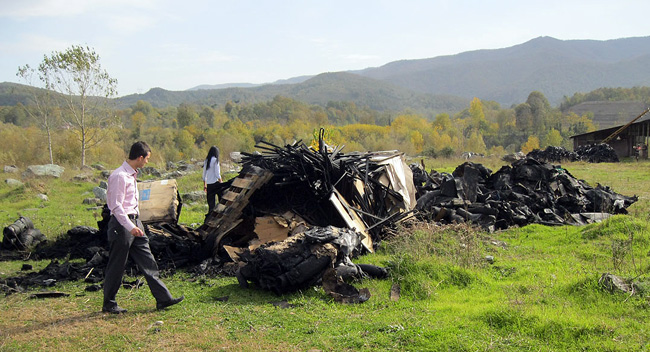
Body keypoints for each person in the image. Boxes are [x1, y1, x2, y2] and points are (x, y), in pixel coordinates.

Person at [103, 141, 184, 314]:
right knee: (117, 265)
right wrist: (130, 227)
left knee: (148, 260)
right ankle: (109, 303)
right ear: (140, 157)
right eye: (147, 158)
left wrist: (137, 223)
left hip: (134, 222)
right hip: (122, 225)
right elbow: (116, 207)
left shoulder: (131, 175)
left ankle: (163, 299)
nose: (147, 162)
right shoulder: (119, 176)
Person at [203, 146, 223, 214]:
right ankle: (220, 212)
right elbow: (217, 173)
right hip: (216, 183)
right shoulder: (215, 160)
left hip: (209, 185)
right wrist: (221, 181)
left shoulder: (206, 161)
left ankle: (210, 217)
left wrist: (205, 185)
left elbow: (204, 174)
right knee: (222, 199)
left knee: (211, 204)